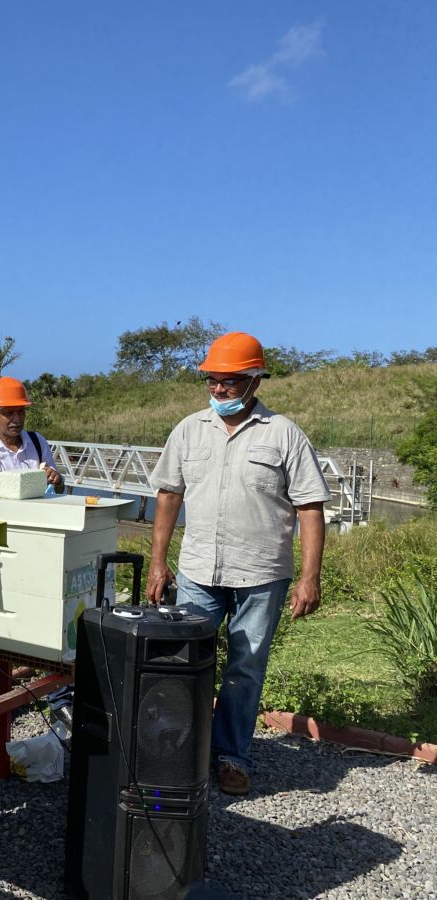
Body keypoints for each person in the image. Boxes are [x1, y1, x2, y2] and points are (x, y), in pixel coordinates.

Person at [144, 331, 331, 796]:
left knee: (245, 668)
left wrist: (310, 577)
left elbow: (310, 507)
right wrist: (157, 563)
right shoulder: (189, 430)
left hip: (261, 574)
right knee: (184, 661)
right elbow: (168, 496)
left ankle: (232, 756)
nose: (219, 388)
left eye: (229, 381)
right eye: (212, 380)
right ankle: (178, 750)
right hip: (198, 571)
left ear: (255, 380)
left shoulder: (283, 434)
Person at [0, 376, 65, 493]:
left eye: (21, 411)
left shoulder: (37, 442)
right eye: (9, 413)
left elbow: (57, 490)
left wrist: (56, 480)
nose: (17, 419)